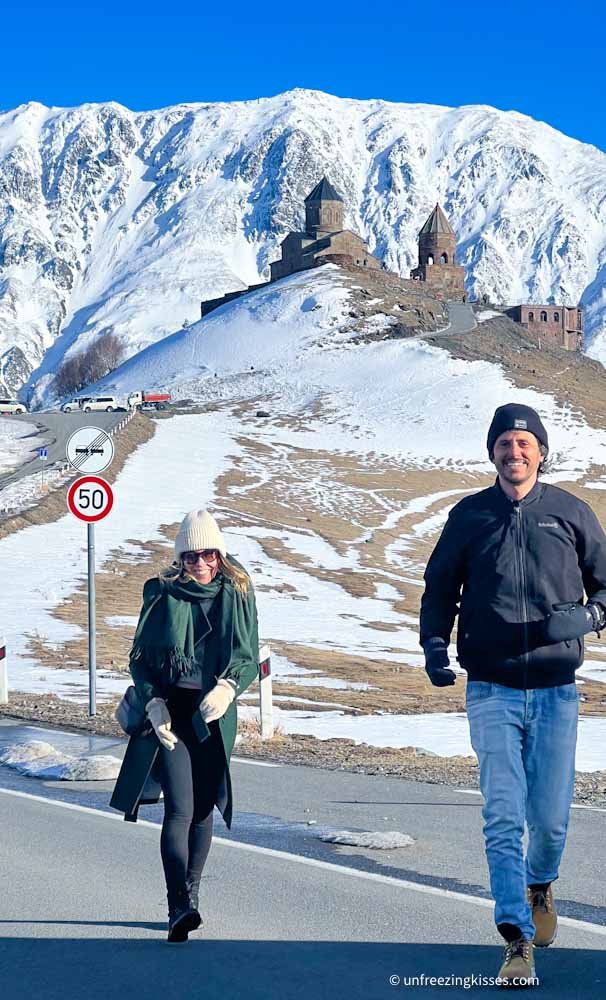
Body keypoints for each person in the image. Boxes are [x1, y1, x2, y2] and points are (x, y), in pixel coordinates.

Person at [419, 403, 606, 985]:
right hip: (492, 689)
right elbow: (439, 587)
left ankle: (540, 884)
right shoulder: (470, 515)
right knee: (503, 814)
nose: (514, 451)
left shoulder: (570, 513)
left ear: (541, 452)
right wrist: (434, 646)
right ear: (492, 453)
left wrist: (585, 618)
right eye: (504, 443)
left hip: (556, 691)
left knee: (548, 821)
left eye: (525, 443)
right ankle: (516, 937)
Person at [111, 509, 259, 942]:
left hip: (213, 711)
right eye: (191, 555)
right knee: (179, 807)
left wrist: (230, 687)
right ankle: (178, 904)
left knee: (202, 809)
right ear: (180, 557)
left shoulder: (238, 590)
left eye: (208, 554)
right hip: (171, 710)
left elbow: (247, 654)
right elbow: (139, 658)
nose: (200, 562)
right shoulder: (161, 593)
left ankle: (190, 895)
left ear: (219, 554)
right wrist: (154, 702)